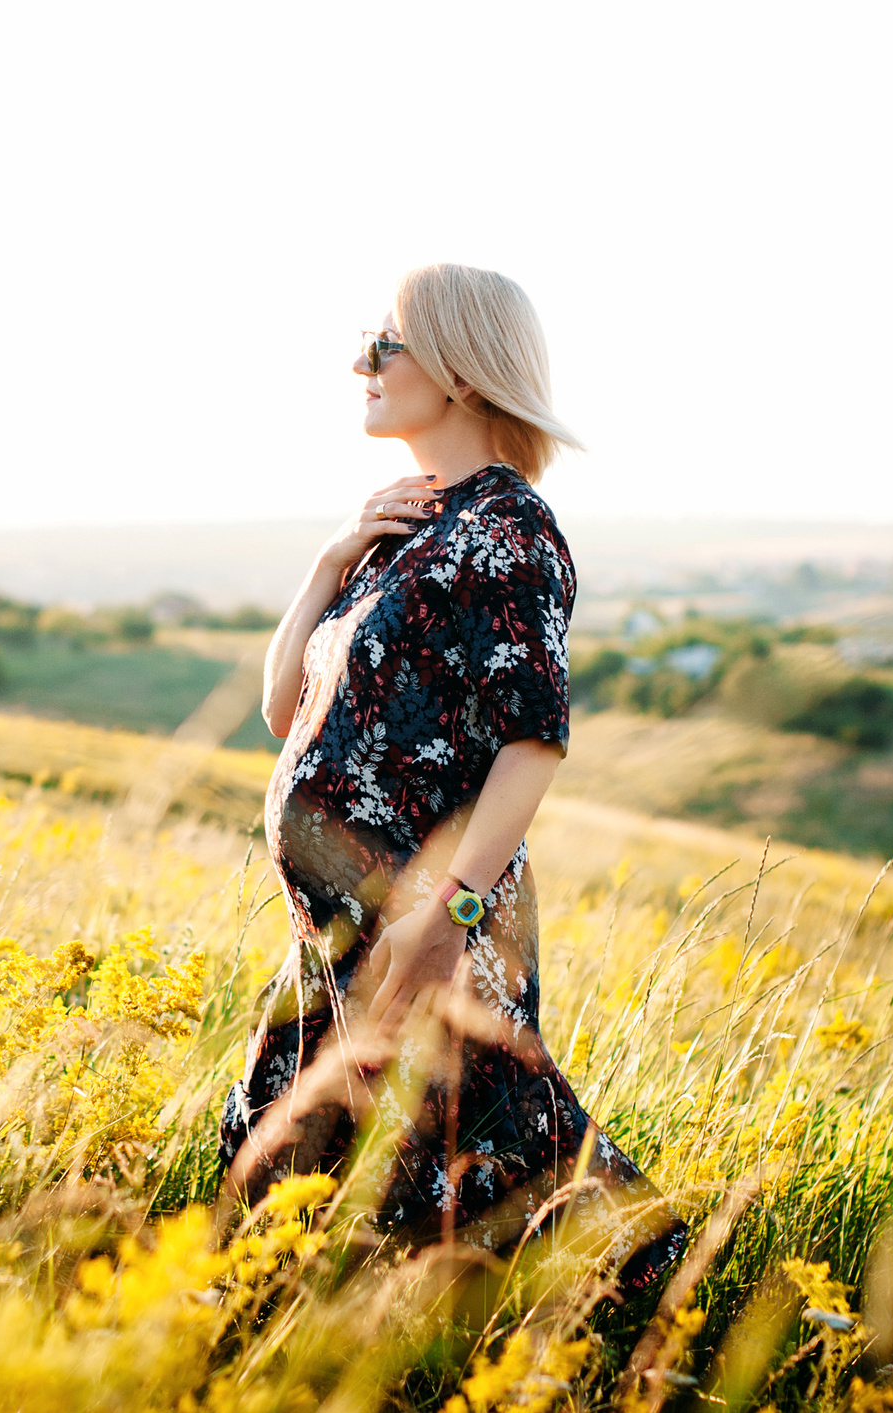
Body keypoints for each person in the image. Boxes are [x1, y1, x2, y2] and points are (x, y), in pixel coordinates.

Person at [219, 262, 685, 1308]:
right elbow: (281, 708)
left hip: (430, 921)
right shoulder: (410, 530)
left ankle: (690, 1340)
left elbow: (534, 742)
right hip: (336, 936)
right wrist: (329, 562)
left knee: (511, 1176)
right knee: (296, 1174)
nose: (361, 363)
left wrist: (445, 912)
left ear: (464, 374)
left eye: (386, 343)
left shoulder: (507, 535)